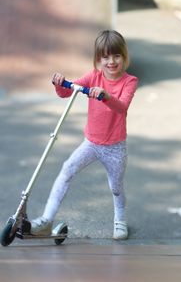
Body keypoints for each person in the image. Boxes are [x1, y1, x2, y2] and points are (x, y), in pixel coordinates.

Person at [31, 30, 138, 240]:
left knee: (115, 187)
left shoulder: (129, 81)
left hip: (115, 147)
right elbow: (67, 92)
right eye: (106, 57)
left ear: (124, 56)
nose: (111, 61)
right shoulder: (93, 76)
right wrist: (60, 83)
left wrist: (106, 96)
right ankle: (47, 219)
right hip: (91, 143)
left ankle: (120, 220)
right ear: (98, 59)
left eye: (116, 56)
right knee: (67, 169)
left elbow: (122, 106)